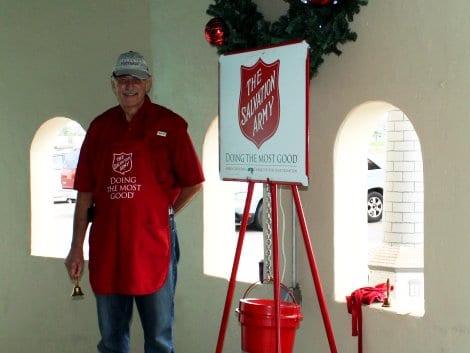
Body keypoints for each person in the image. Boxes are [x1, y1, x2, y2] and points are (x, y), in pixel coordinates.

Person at [65, 51, 205, 353]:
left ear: (148, 83)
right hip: (108, 243)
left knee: (158, 338)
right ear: (113, 84)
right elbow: (85, 191)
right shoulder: (100, 128)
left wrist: (163, 212)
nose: (130, 86)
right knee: (111, 338)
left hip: (153, 241)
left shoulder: (171, 125)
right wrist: (76, 245)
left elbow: (193, 183)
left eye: (137, 80)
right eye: (123, 80)